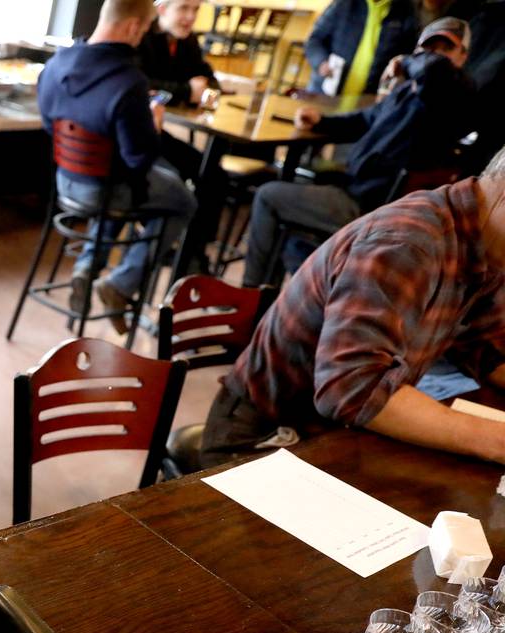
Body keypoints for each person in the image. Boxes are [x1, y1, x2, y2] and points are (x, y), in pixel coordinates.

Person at [200, 145, 505, 468]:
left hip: (333, 432)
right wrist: (496, 441)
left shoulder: (485, 246)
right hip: (263, 434)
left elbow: (486, 348)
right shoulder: (407, 242)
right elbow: (352, 390)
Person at [241, 17, 475, 287]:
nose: (436, 55)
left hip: (372, 206)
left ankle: (250, 296)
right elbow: (365, 119)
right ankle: (286, 297)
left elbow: (435, 71)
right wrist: (321, 121)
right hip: (357, 189)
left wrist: (403, 62)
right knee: (292, 233)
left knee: (268, 197)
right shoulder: (409, 92)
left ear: (463, 56)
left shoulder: (457, 92)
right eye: (429, 47)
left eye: (446, 48)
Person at [36, 0, 198, 325]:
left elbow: (48, 124)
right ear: (133, 27)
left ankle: (88, 265)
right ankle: (121, 283)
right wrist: (154, 126)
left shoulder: (56, 63)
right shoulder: (128, 82)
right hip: (105, 189)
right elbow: (140, 158)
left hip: (65, 181)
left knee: (123, 181)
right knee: (182, 199)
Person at [137, 0, 226, 272]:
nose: (190, 17)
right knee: (177, 180)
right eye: (184, 9)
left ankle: (193, 253)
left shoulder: (188, 42)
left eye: (196, 10)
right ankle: (163, 247)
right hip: (138, 136)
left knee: (213, 175)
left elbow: (212, 82)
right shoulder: (143, 37)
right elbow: (143, 84)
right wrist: (187, 91)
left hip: (162, 132)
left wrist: (202, 90)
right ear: (163, 9)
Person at [305, 0, 418, 96]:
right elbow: (315, 40)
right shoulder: (344, 3)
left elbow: (407, 58)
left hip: (367, 104)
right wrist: (321, 63)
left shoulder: (406, 12)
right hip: (324, 94)